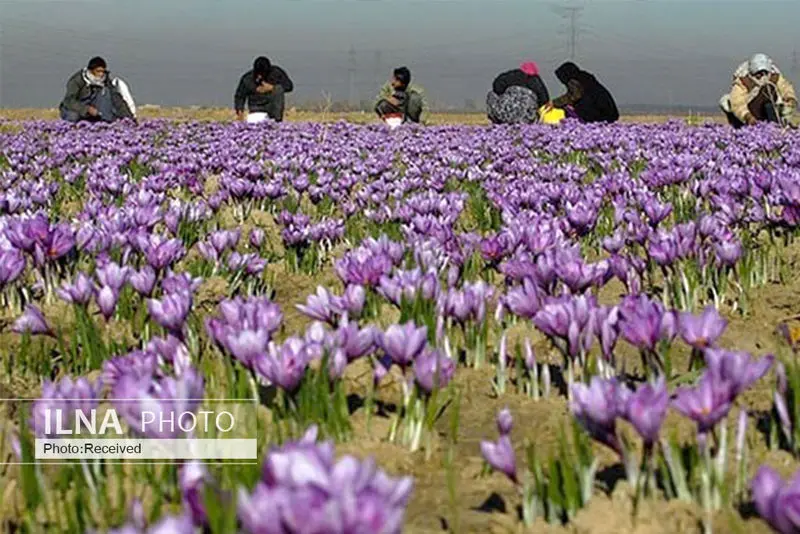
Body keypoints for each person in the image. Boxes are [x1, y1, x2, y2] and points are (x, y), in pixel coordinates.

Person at [719, 53, 797, 128]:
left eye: (764, 73)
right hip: (749, 110)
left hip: (770, 108)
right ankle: (740, 126)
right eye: (758, 74)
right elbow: (738, 103)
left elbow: (785, 87)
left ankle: (775, 124)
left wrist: (790, 99)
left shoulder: (774, 77)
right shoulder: (743, 81)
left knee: (768, 90)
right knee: (726, 102)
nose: (761, 76)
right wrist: (747, 116)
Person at [59, 57, 137, 123]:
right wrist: (86, 109)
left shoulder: (105, 80)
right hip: (77, 106)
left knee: (107, 92)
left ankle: (105, 122)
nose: (101, 74)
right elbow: (69, 101)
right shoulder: (77, 80)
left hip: (94, 106)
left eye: (103, 71)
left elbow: (117, 99)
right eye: (98, 71)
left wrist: (129, 118)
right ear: (90, 70)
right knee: (73, 117)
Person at [545, 61, 619, 123]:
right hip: (609, 113)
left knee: (568, 109)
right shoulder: (586, 79)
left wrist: (554, 103)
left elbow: (574, 96)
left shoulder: (574, 80)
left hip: (598, 115)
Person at [234, 56, 294, 123]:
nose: (260, 76)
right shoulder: (247, 78)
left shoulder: (277, 73)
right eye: (258, 73)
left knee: (278, 89)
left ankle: (277, 120)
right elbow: (240, 96)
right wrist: (239, 111)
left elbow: (289, 86)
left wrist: (272, 87)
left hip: (273, 106)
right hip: (256, 107)